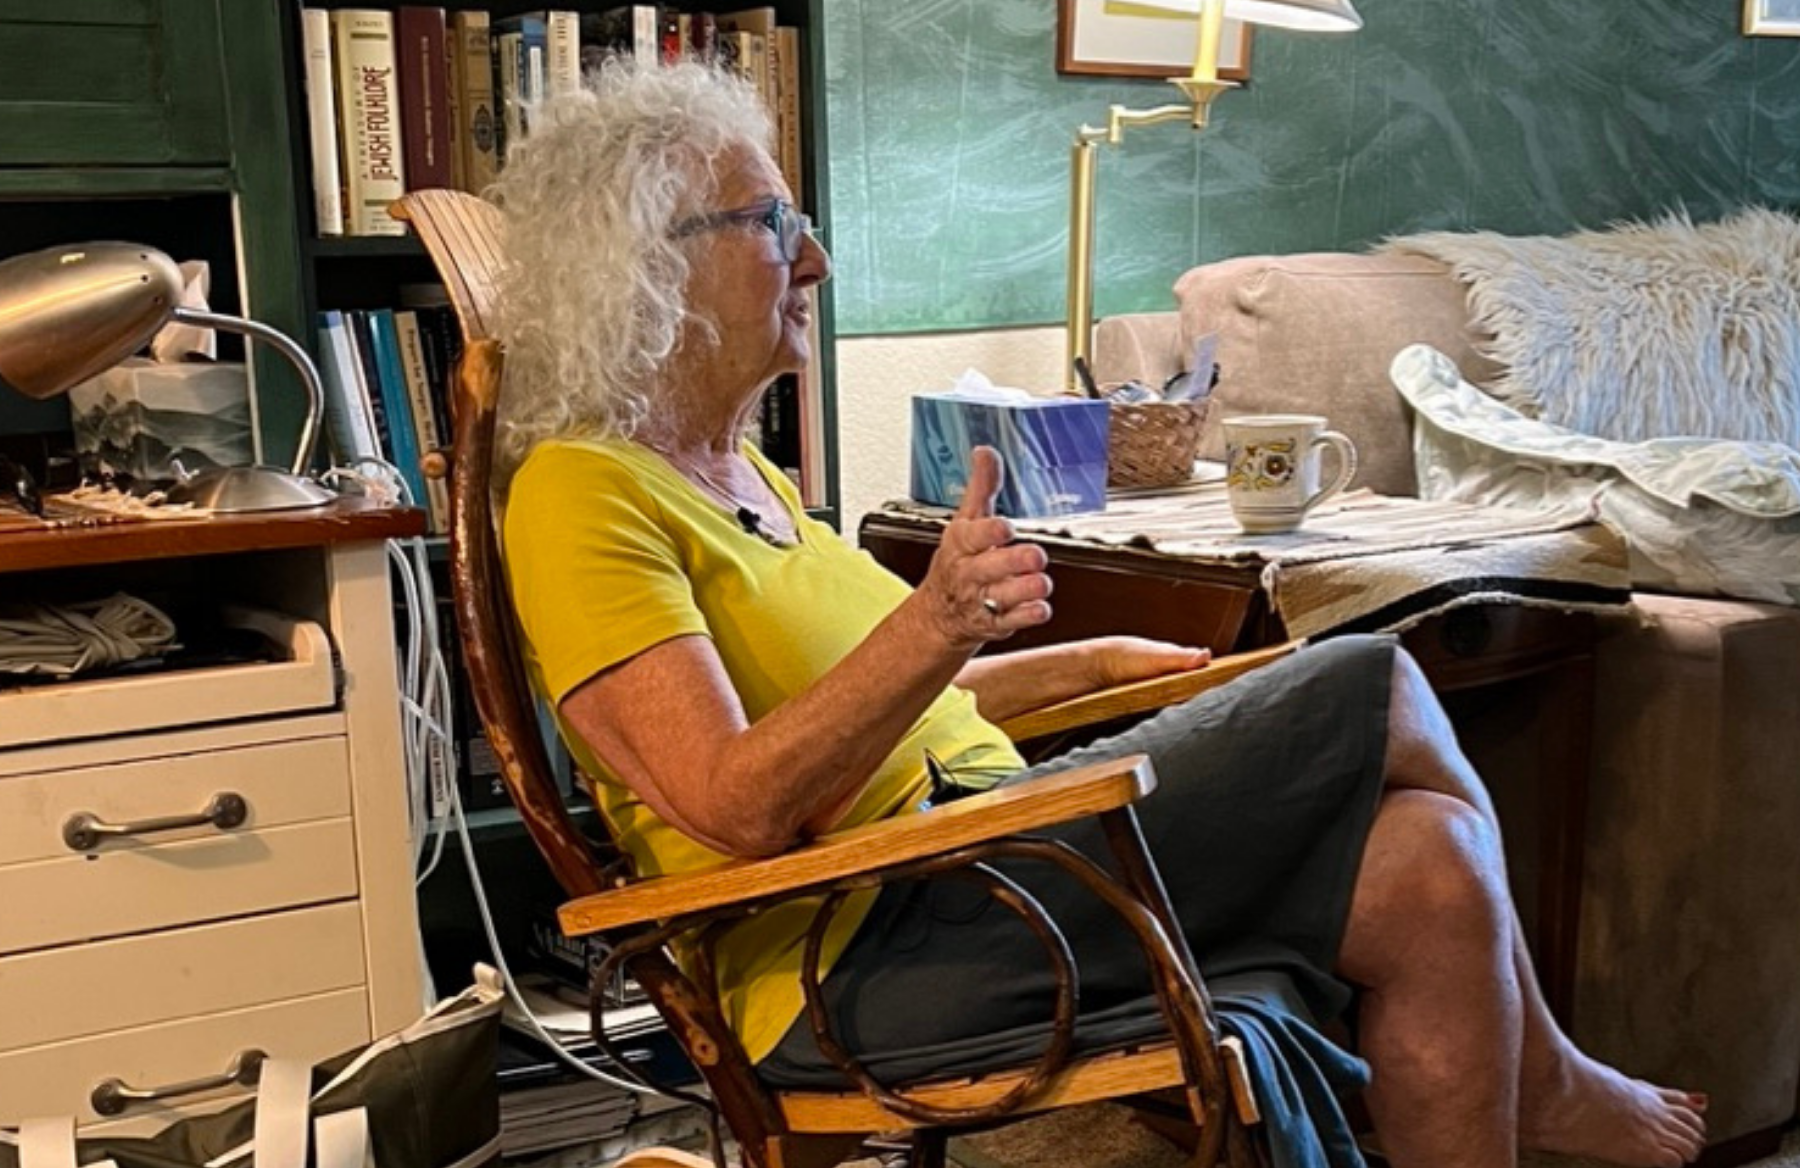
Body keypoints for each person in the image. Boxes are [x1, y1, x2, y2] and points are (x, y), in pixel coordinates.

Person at [488, 60, 1707, 1168]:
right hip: (860, 951)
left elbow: (886, 722)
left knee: (1429, 870)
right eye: (774, 225)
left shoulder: (745, 477)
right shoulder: (579, 495)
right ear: (647, 259)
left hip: (972, 864)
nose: (812, 261)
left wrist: (1082, 667)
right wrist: (937, 620)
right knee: (1372, 678)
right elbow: (736, 805)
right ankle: (1550, 1080)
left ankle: (1544, 1087)